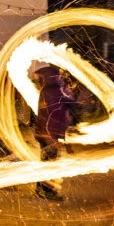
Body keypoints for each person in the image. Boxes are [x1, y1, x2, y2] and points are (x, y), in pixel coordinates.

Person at [34, 65, 76, 200]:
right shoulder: (54, 90)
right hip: (49, 134)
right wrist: (70, 91)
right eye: (58, 75)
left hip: (46, 133)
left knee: (47, 162)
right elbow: (69, 102)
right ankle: (47, 192)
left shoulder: (47, 89)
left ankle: (42, 190)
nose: (60, 77)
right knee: (50, 163)